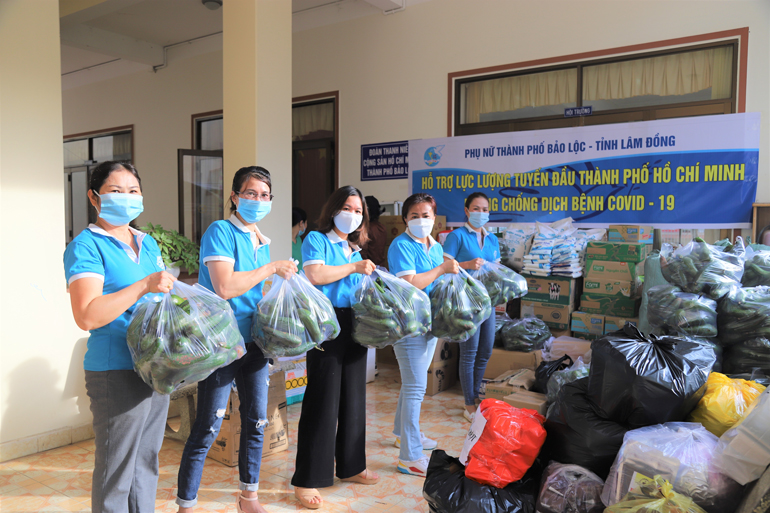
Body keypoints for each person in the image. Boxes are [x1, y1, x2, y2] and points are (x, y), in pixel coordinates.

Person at [176, 166, 297, 513]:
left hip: (254, 344)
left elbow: (255, 292)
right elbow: (225, 286)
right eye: (250, 193)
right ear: (234, 196)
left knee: (257, 420)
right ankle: (187, 504)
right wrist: (272, 267)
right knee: (208, 426)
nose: (257, 200)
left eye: (264, 195)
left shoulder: (260, 239)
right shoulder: (221, 231)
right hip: (223, 344)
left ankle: (249, 497)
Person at [64, 161, 177, 512]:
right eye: (115, 191)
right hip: (117, 370)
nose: (126, 198)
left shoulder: (147, 243)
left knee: (145, 460)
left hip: (155, 367)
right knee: (116, 471)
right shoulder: (86, 246)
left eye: (133, 191)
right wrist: (143, 284)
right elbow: (87, 315)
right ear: (93, 197)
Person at [291, 186, 379, 509]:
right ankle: (307, 479)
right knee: (322, 400)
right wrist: (355, 268)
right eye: (347, 207)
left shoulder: (352, 248)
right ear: (333, 209)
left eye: (358, 211)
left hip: (354, 323)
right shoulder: (316, 239)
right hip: (326, 323)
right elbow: (315, 274)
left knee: (354, 397)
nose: (352, 215)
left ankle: (352, 465)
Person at [387, 193, 459, 477]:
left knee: (411, 383)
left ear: (434, 217)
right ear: (405, 218)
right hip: (408, 324)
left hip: (430, 323)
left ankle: (401, 434)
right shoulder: (400, 245)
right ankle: (410, 457)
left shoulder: (434, 246)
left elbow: (438, 283)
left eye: (426, 215)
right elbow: (410, 283)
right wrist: (442, 268)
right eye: (414, 215)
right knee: (416, 386)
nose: (421, 220)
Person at [442, 192, 501, 422]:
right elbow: (444, 267)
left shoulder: (493, 239)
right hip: (466, 302)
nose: (481, 213)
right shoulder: (456, 236)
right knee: (469, 352)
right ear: (466, 211)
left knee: (485, 350)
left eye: (485, 209)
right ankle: (468, 404)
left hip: (489, 301)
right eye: (476, 209)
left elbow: (496, 270)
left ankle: (475, 396)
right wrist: (466, 264)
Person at [361, 195, 388, 269]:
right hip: (381, 268)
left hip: (369, 269)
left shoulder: (365, 229)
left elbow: (362, 254)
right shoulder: (382, 227)